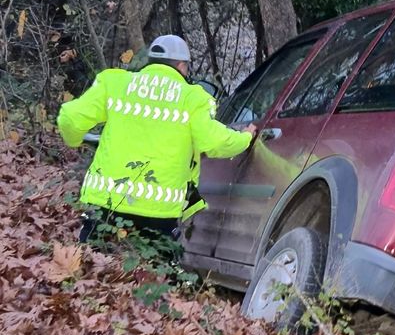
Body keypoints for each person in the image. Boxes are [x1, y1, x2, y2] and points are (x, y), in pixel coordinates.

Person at [57, 35, 256, 242]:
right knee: (153, 261)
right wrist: (245, 137)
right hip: (159, 211)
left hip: (105, 201)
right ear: (181, 65)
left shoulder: (114, 83)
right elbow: (215, 141)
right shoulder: (192, 98)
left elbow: (69, 118)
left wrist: (75, 140)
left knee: (92, 258)